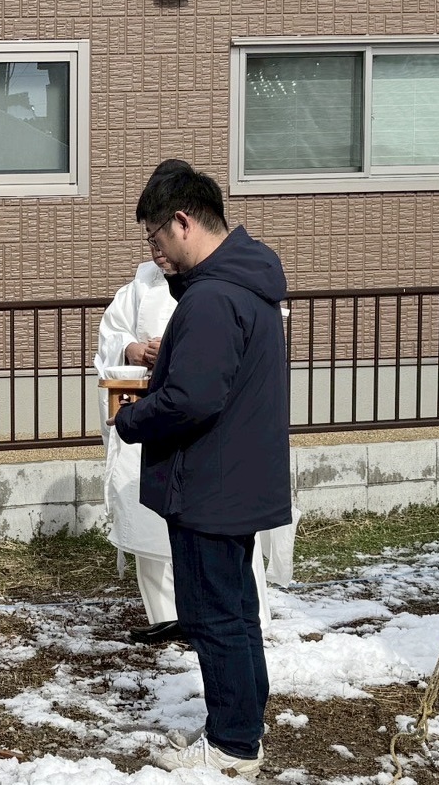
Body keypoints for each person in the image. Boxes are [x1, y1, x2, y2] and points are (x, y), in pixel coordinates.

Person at [113, 161, 292, 777]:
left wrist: (132, 420)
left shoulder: (214, 297)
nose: (155, 253)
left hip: (209, 487)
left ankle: (232, 744)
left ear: (183, 223)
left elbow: (192, 399)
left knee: (216, 616)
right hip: (237, 479)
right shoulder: (248, 284)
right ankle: (243, 729)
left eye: (156, 238)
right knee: (236, 611)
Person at [95, 247, 290, 646]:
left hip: (206, 437)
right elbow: (112, 335)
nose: (158, 251)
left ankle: (234, 622)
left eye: (162, 237)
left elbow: (207, 378)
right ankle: (171, 617)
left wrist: (177, 350)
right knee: (154, 528)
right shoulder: (140, 286)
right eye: (150, 241)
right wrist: (133, 350)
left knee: (222, 540)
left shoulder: (219, 290)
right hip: (154, 422)